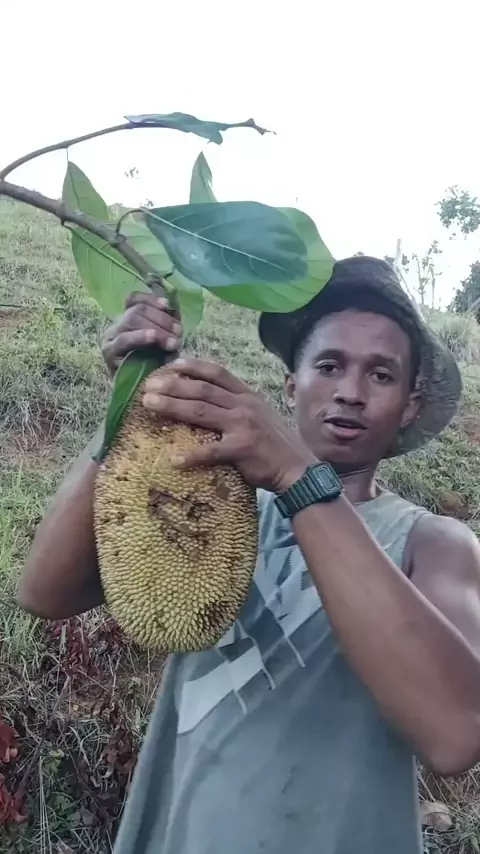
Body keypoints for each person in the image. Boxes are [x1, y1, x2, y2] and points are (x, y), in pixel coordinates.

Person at [17, 255, 480, 854]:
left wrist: (298, 477)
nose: (350, 392)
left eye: (382, 375)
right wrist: (129, 400)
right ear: (291, 385)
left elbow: (456, 732)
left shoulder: (433, 542)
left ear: (409, 407)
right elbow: (44, 593)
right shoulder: (215, 500)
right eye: (329, 365)